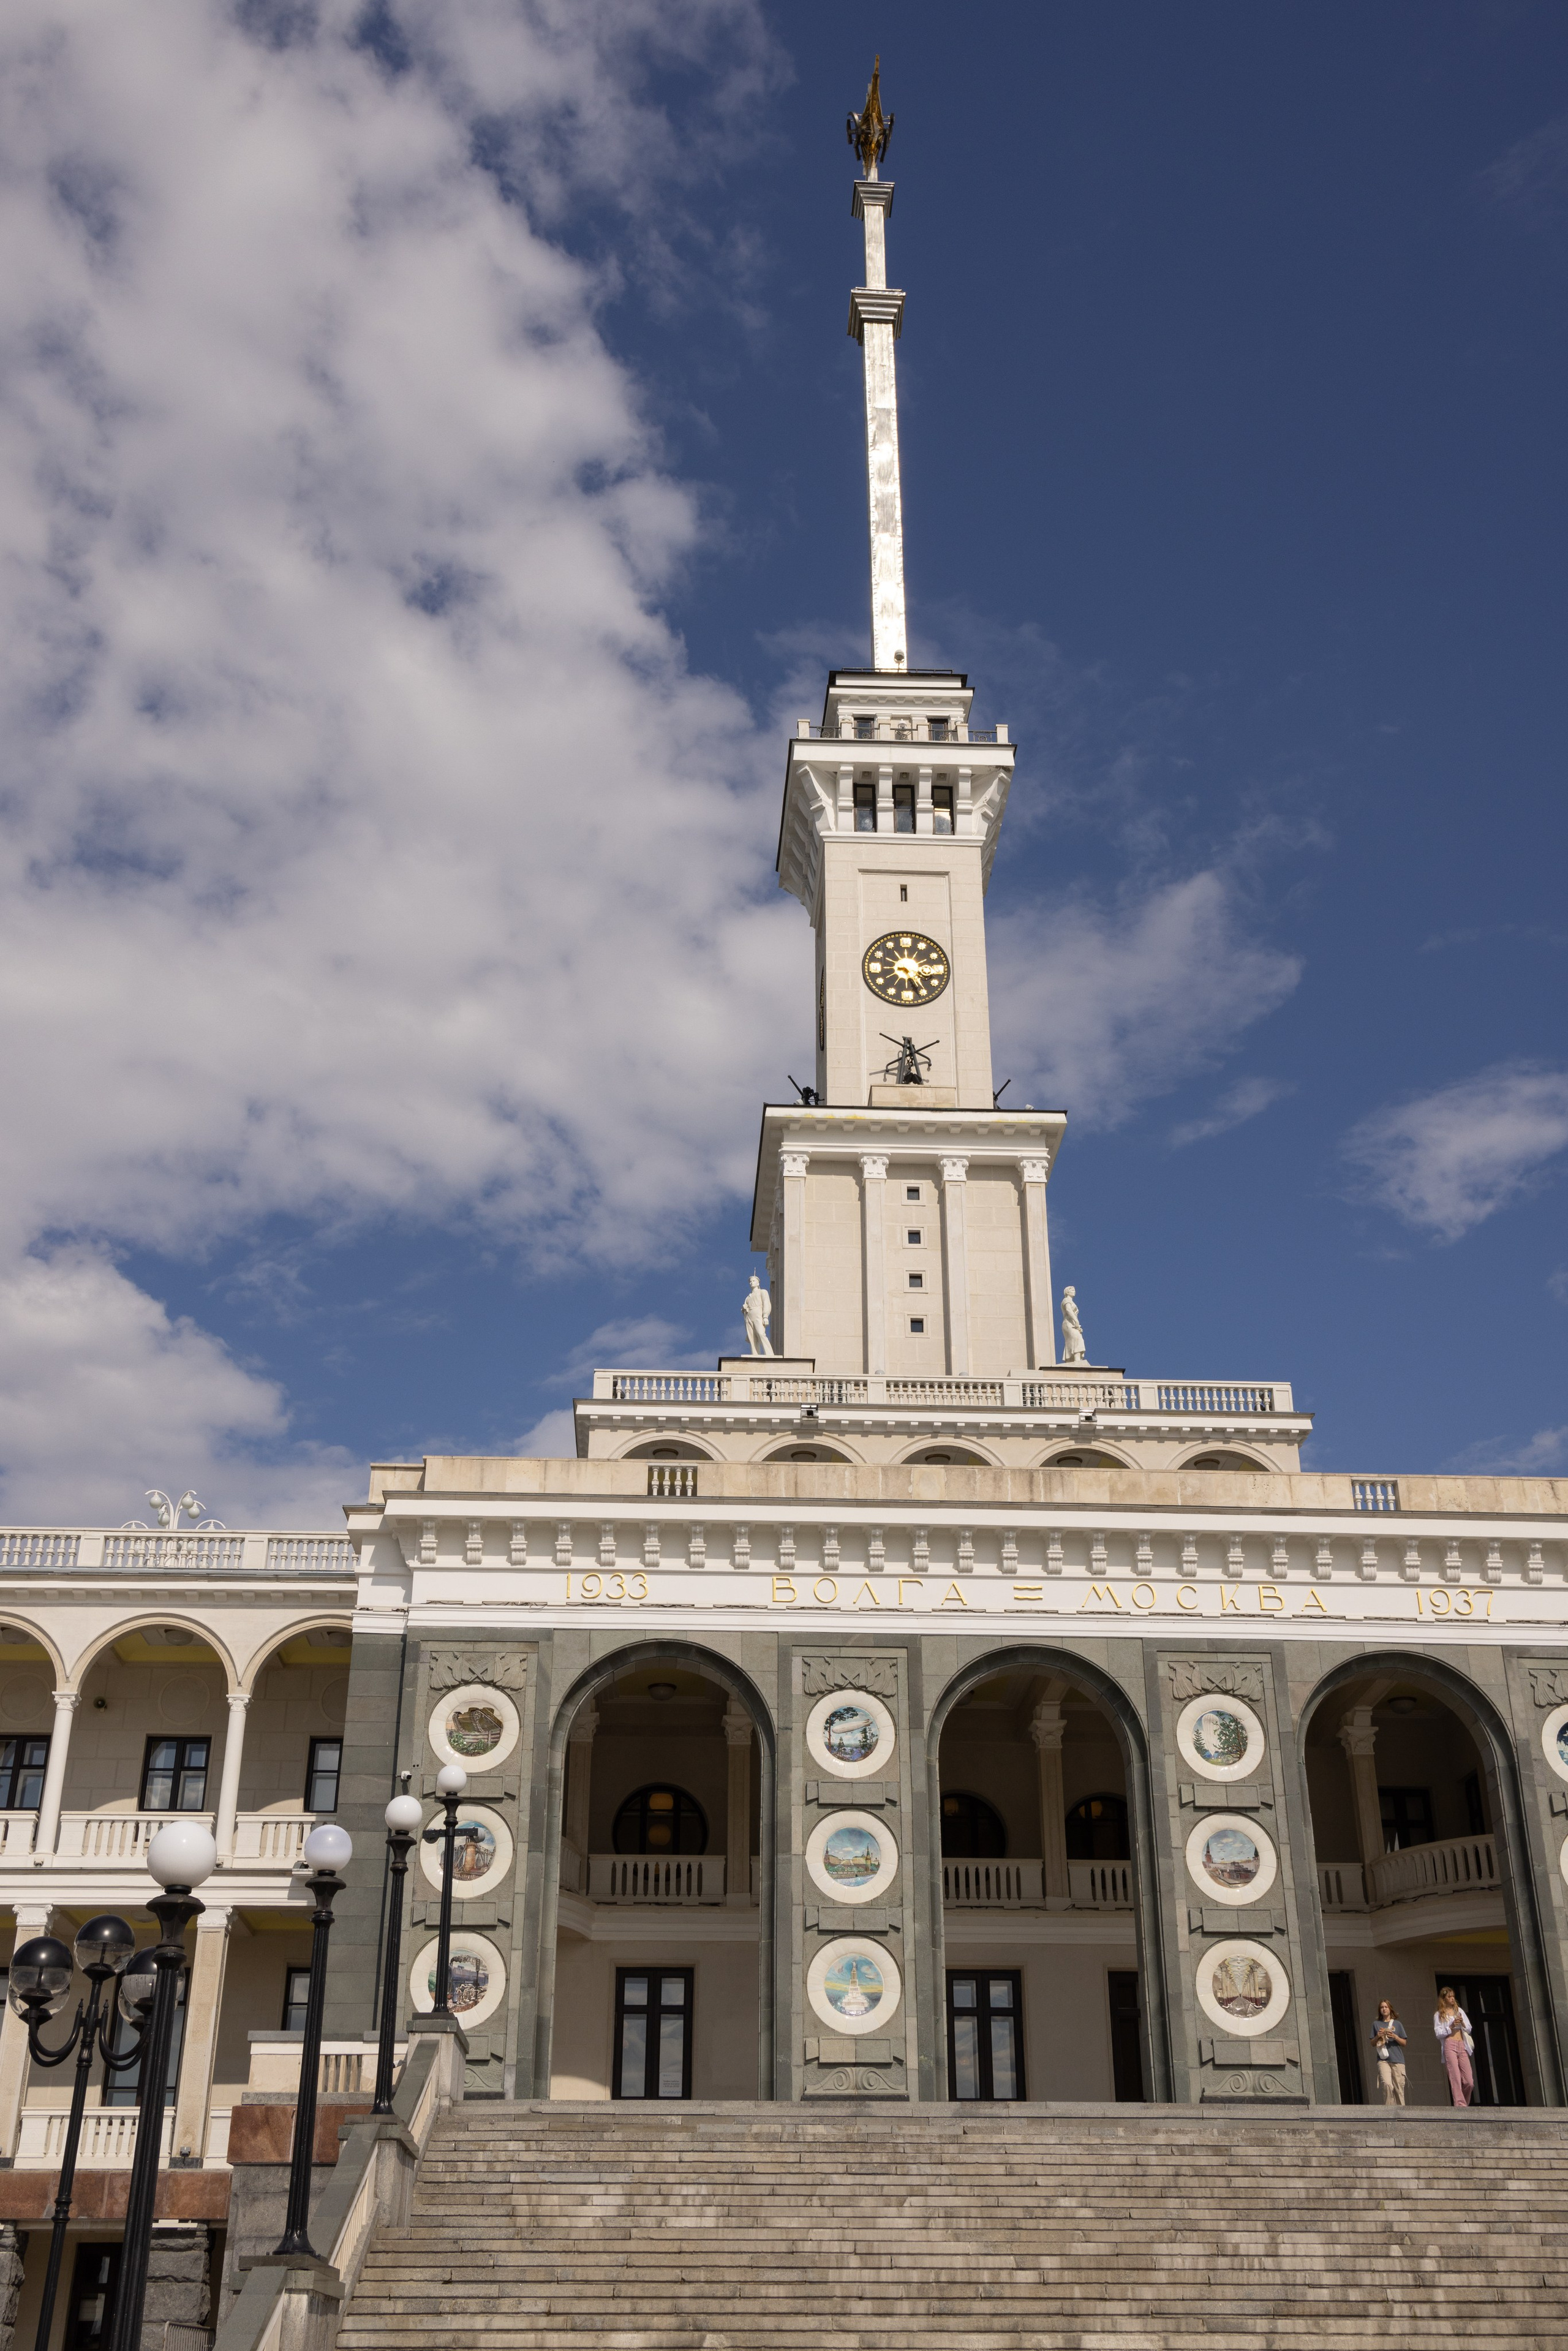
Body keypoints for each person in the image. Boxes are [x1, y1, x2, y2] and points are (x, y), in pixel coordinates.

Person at [1433, 1985, 1475, 2107]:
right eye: (1449, 1997)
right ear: (1444, 1999)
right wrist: (1450, 2027)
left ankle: (1464, 2104)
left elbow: (1469, 2028)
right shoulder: (1439, 2015)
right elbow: (1438, 2033)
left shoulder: (1459, 2011)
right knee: (1455, 2077)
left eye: (1453, 1996)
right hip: (1450, 2044)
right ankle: (1460, 2105)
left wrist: (1461, 2022)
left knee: (1469, 2081)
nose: (1452, 1999)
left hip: (1462, 2044)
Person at [1370, 2001, 1407, 2104]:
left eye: (1386, 2007)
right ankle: (1390, 2111)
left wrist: (1394, 2036)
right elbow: (1372, 2043)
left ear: (1390, 2009)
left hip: (1397, 2059)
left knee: (1399, 2088)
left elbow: (1404, 2042)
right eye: (1382, 2007)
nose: (1384, 2009)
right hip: (1383, 2059)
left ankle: (1401, 2113)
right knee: (1387, 2084)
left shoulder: (1397, 2024)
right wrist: (1378, 2036)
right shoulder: (1376, 2024)